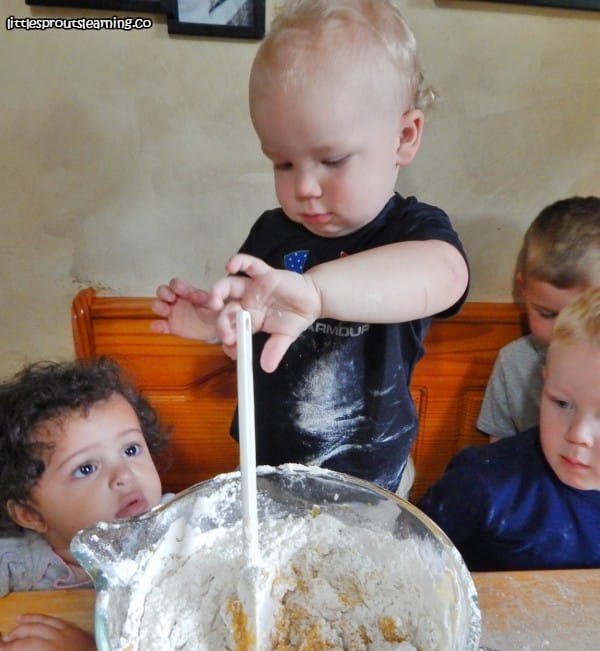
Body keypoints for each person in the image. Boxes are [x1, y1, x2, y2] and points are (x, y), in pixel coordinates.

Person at [151, 0, 469, 497]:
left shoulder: (411, 230)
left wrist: (315, 292)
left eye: (332, 160)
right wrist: (218, 324)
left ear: (404, 137)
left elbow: (445, 277)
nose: (305, 188)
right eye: (282, 164)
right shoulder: (271, 233)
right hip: (268, 470)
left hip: (370, 479)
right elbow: (256, 318)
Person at [0, 357, 170, 651]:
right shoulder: (15, 560)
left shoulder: (185, 531)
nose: (123, 474)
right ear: (30, 513)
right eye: (86, 468)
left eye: (131, 449)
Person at [418, 287, 600, 572]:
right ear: (544, 383)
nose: (578, 434)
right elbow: (408, 557)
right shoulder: (480, 483)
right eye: (562, 403)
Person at [477, 196, 600, 442]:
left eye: (580, 314)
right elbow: (497, 453)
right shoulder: (513, 363)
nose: (561, 330)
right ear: (525, 289)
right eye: (547, 314)